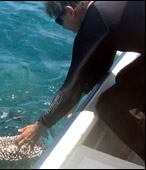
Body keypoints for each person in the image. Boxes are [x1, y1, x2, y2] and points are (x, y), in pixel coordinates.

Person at [16, 1, 145, 161]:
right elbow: (101, 64)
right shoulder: (105, 8)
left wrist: (40, 126)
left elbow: (71, 85)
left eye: (59, 20)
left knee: (107, 105)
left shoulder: (94, 24)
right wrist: (80, 93)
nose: (62, 27)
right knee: (124, 78)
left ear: (70, 11)